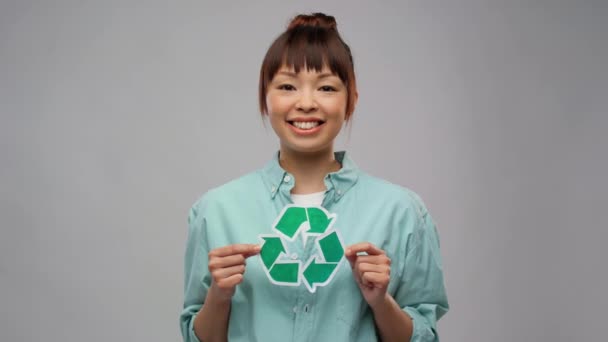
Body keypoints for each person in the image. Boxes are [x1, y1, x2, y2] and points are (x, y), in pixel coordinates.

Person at [180, 12, 449, 342]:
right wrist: (218, 298)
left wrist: (381, 303)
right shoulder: (216, 211)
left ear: (351, 100)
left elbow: (424, 336)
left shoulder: (403, 213)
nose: (306, 103)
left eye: (326, 87)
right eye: (288, 86)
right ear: (266, 97)